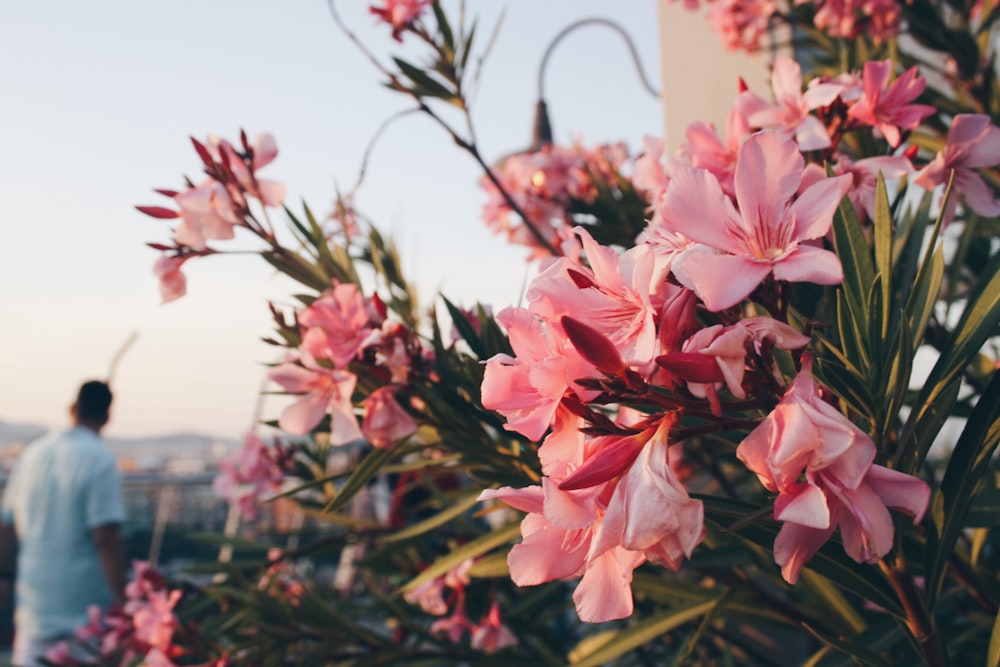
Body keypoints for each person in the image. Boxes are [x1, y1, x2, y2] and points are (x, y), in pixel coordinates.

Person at [0, 381, 127, 666]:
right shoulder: (100, 459)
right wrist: (123, 599)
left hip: (34, 607)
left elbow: (6, 527)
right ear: (107, 417)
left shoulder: (32, 454)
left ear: (72, 408)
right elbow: (105, 537)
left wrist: (5, 577)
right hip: (85, 612)